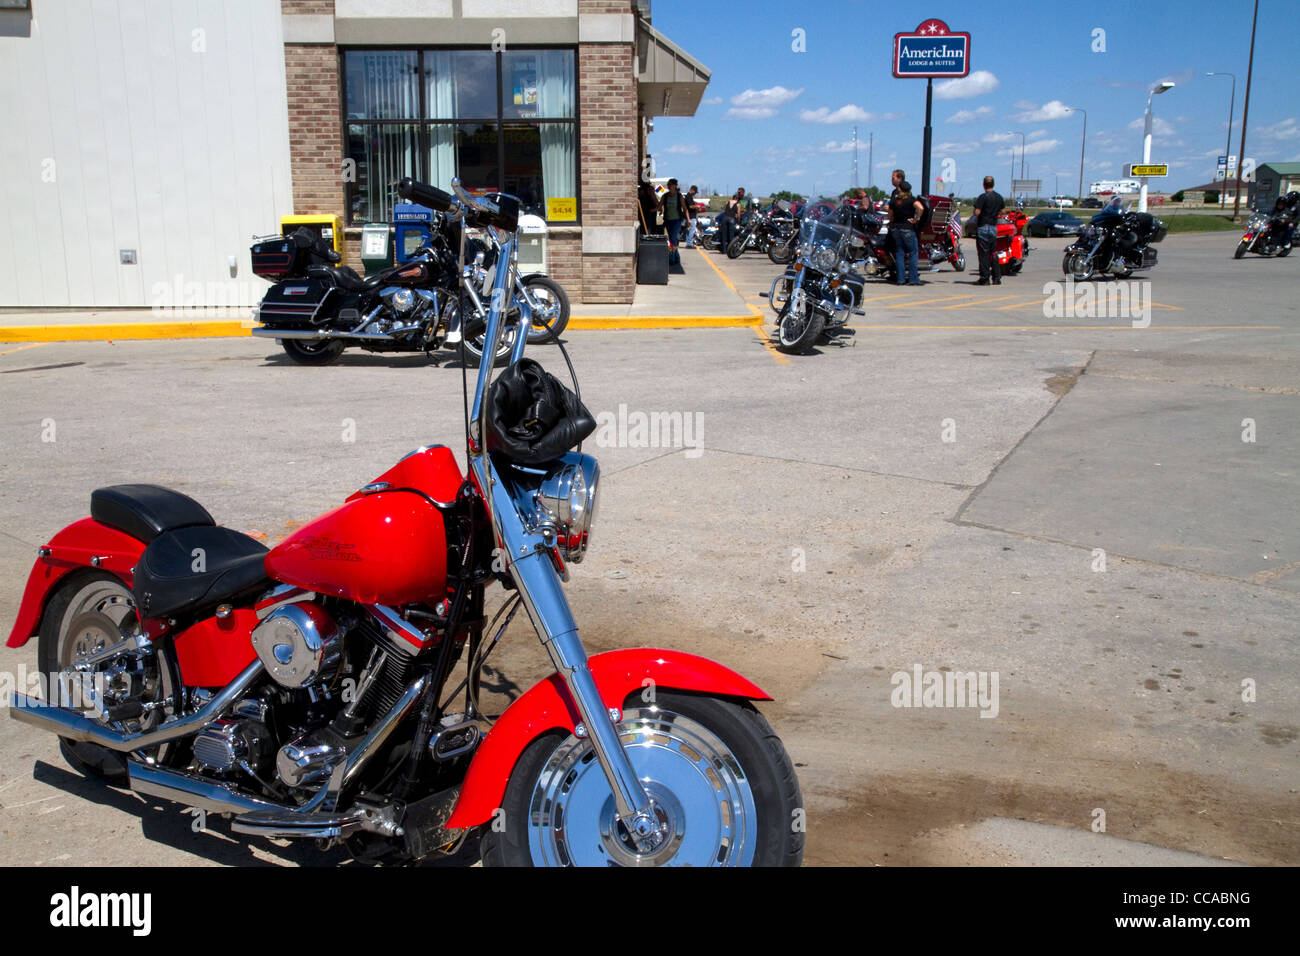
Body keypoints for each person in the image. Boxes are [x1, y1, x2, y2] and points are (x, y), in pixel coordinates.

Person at [888, 179, 924, 286]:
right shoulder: (911, 199)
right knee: (913, 253)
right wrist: (917, 218)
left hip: (895, 228)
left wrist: (891, 221)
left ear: (900, 189)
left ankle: (900, 279)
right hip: (907, 228)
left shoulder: (894, 200)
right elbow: (921, 208)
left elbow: (890, 214)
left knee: (899, 253)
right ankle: (913, 279)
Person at [973, 175, 1005, 285]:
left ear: (984, 185)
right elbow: (1002, 211)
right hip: (993, 227)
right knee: (993, 253)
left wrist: (977, 212)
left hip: (983, 226)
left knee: (983, 254)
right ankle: (997, 277)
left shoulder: (983, 197)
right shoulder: (998, 197)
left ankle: (985, 278)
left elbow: (977, 212)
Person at [662, 178, 688, 266]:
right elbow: (659, 205)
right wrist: (653, 210)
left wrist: (688, 219)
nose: (669, 186)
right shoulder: (665, 196)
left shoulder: (679, 196)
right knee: (673, 240)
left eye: (671, 185)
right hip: (667, 220)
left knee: (672, 240)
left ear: (675, 186)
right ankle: (677, 257)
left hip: (677, 220)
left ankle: (671, 259)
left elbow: (684, 208)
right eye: (668, 185)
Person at [718, 187, 745, 253]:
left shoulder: (727, 202)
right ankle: (730, 250)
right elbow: (738, 214)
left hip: (724, 218)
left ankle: (724, 250)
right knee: (731, 235)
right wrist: (738, 221)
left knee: (724, 235)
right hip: (732, 219)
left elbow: (724, 210)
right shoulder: (738, 204)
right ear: (737, 198)